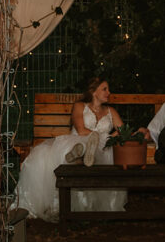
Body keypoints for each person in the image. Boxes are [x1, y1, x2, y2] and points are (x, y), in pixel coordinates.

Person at [15, 77, 127, 222]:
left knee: (101, 148)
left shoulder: (111, 111)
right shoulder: (80, 106)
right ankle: (80, 152)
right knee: (47, 153)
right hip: (78, 140)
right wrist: (103, 136)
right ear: (93, 91)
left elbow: (123, 131)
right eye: (104, 89)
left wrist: (110, 138)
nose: (108, 92)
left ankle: (83, 155)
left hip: (101, 146)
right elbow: (80, 130)